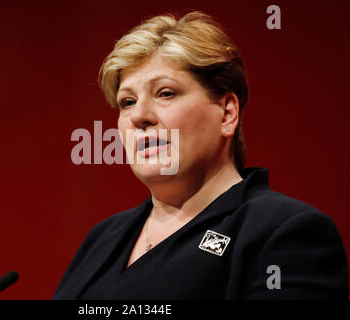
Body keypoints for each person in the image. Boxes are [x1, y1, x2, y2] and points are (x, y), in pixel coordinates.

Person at [53, 11, 348, 299]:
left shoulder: (284, 231)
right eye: (127, 101)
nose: (139, 116)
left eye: (166, 93)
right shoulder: (103, 238)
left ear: (227, 113)